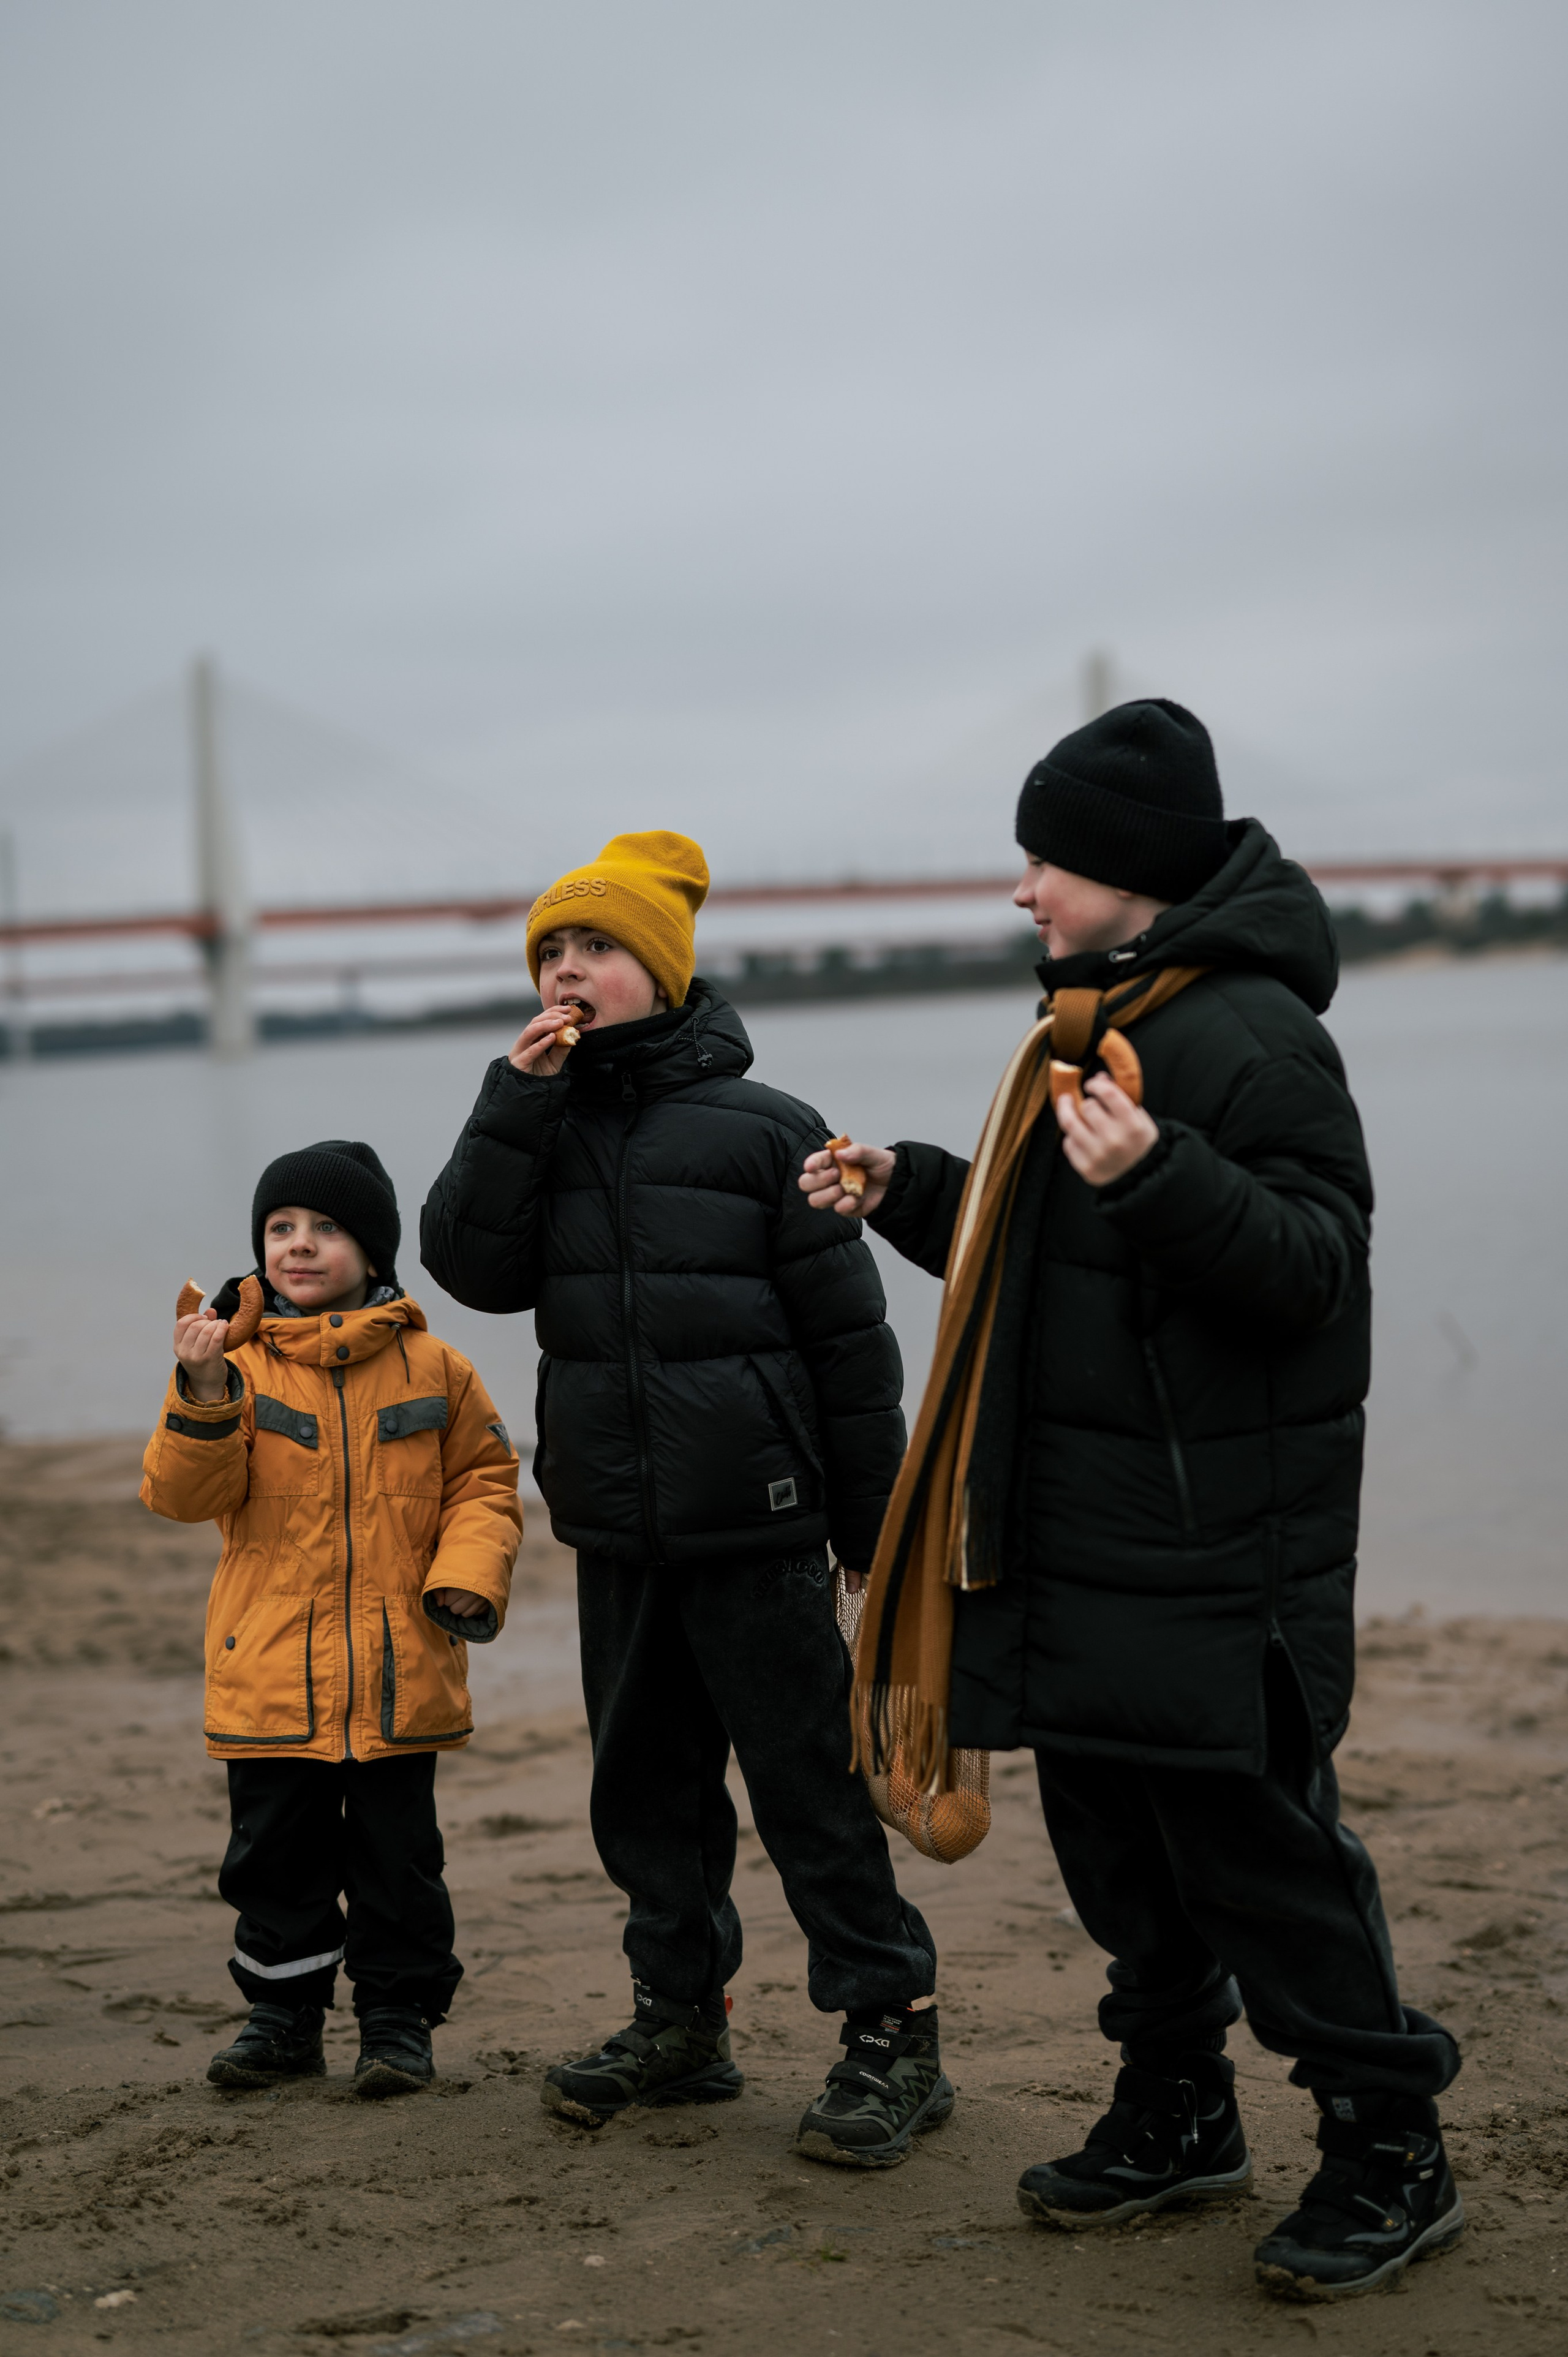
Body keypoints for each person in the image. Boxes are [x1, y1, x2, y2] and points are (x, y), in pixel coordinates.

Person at [800, 700, 1462, 2298]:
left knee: (1268, 1862)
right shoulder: (1096, 1019)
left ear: (1132, 869)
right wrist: (915, 1191)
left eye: (1051, 858)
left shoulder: (1250, 1035)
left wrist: (1161, 1176)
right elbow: (1047, 1266)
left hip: (1216, 1558)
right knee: (1118, 1855)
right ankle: (1178, 2109)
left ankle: (1391, 2146)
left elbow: (1313, 1272)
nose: (1026, 888)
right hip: (1087, 1545)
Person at [420, 829, 951, 2167]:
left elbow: (851, 1348)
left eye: (593, 947)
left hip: (761, 1526)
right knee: (644, 1795)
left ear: (658, 970)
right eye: (549, 951)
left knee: (809, 1792)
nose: (566, 969)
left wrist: (870, 1534)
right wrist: (511, 1101)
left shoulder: (769, 1131)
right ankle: (680, 2020)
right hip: (616, 1528)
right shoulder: (538, 1124)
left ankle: (891, 2030)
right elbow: (467, 1266)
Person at [140, 1139, 521, 2097]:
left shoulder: (439, 1366)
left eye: (326, 1229)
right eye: (280, 1229)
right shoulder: (235, 1362)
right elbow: (184, 1495)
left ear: (376, 1250)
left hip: (401, 1673)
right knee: (274, 1863)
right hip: (269, 1671)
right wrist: (205, 1389)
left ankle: (397, 2023)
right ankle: (283, 2017)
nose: (298, 1246)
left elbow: (485, 1481)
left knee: (401, 1866)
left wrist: (469, 1574)